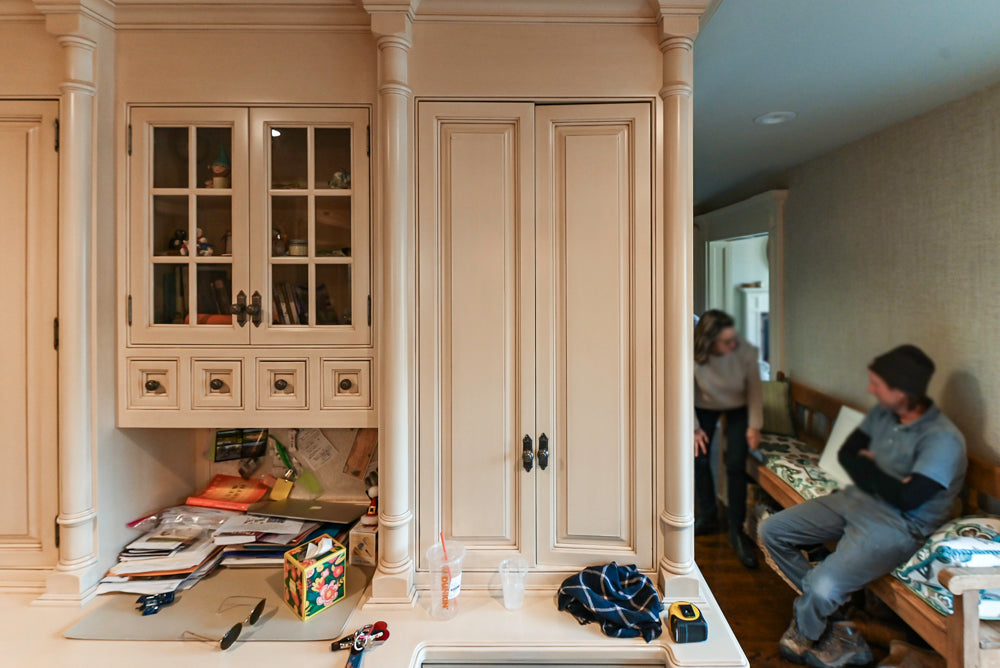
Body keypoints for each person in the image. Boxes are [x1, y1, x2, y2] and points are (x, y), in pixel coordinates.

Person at [759, 344, 966, 668]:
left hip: (898, 524)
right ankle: (838, 626)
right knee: (773, 529)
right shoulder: (886, 415)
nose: (870, 390)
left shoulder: (942, 440)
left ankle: (816, 625)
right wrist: (884, 476)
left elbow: (908, 499)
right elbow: (847, 454)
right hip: (859, 500)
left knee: (823, 586)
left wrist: (872, 470)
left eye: (877, 384)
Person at [693, 309, 763, 569]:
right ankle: (709, 516)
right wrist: (694, 428)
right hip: (703, 404)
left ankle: (737, 530)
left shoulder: (743, 353)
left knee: (734, 464)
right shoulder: (691, 355)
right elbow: (684, 390)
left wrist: (754, 426)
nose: (731, 345)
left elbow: (755, 389)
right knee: (699, 458)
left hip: (737, 405)